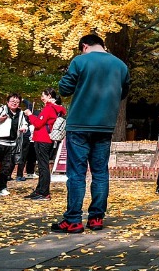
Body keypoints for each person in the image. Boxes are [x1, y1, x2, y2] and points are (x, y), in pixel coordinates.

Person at [51, 33, 130, 234]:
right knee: (100, 172)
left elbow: (64, 89)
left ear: (84, 46)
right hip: (105, 126)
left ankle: (73, 220)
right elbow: (123, 93)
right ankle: (96, 218)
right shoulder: (121, 66)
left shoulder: (80, 61)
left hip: (79, 124)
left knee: (76, 173)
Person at [23, 87, 66, 201]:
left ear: (49, 96)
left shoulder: (49, 108)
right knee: (43, 165)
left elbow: (38, 124)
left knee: (43, 166)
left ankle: (44, 192)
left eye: (43, 96)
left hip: (43, 139)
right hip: (47, 139)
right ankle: (40, 190)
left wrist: (30, 115)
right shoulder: (57, 109)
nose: (42, 98)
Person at [0, 93, 28, 198]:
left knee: (6, 168)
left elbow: (24, 124)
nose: (14, 103)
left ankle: (2, 187)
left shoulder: (20, 113)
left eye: (17, 102)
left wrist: (24, 128)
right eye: (12, 101)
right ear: (7, 102)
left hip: (11, 143)